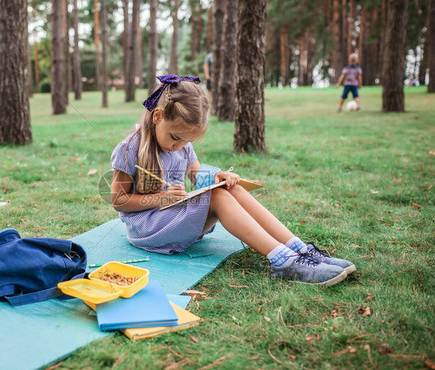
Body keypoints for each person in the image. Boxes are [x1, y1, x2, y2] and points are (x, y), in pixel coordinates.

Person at [110, 75, 355, 286]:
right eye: (176, 138)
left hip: (172, 214)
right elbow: (118, 201)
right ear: (158, 116)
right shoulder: (130, 149)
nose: (180, 146)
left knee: (228, 188)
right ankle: (283, 262)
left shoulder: (181, 147)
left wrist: (217, 176)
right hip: (147, 227)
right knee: (217, 197)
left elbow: (195, 174)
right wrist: (161, 197)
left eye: (187, 142)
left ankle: (300, 249)